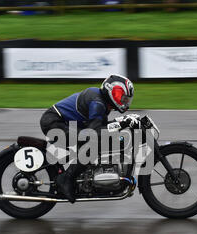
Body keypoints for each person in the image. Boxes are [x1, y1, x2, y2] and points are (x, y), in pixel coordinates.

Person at [40, 74, 140, 203]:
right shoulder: (97, 102)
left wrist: (120, 122)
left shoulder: (102, 102)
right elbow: (95, 132)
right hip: (55, 123)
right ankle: (66, 178)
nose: (125, 102)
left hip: (65, 123)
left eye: (127, 99)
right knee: (93, 143)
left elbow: (101, 126)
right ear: (113, 91)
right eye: (123, 98)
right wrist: (120, 123)